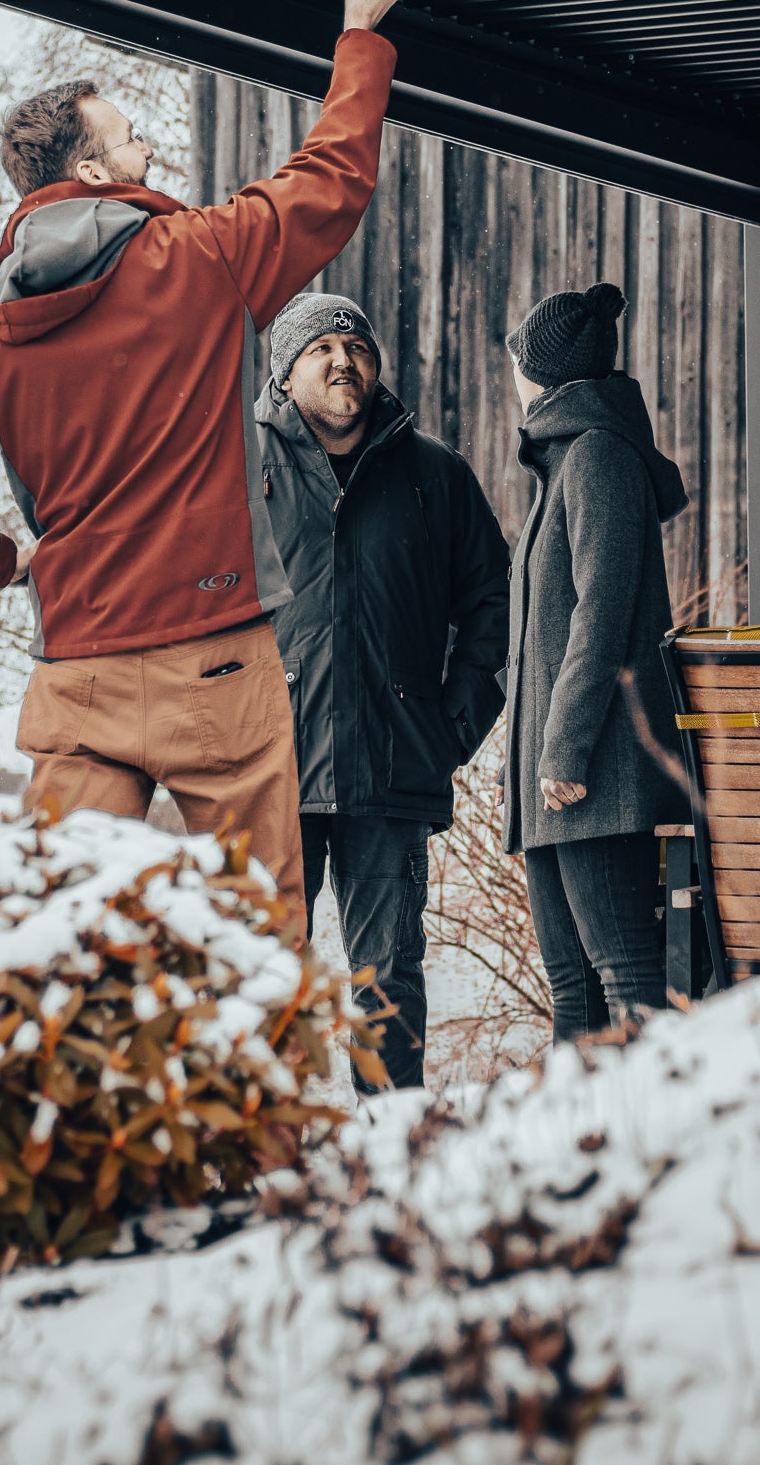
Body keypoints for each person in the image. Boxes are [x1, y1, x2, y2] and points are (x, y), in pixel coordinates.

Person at [0, 0, 403, 936]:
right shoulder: (200, 255)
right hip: (215, 660)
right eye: (130, 134)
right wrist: (361, 31)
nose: (149, 143)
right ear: (94, 170)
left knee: (59, 950)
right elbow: (332, 180)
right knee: (253, 948)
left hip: (77, 672)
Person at [256, 292, 509, 1086]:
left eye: (357, 347)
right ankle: (264, 1164)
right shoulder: (236, 469)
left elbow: (494, 605)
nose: (343, 361)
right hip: (271, 770)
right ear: (285, 370)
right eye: (320, 349)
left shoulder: (434, 473)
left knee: (389, 983)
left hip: (392, 769)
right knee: (265, 979)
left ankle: (395, 1158)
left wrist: (447, 726)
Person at [499, 282, 689, 1040]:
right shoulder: (564, 461)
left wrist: (564, 748)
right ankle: (574, 1144)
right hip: (555, 780)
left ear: (539, 370)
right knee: (572, 982)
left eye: (517, 359)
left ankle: (645, 1137)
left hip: (592, 771)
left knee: (624, 973)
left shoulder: (597, 458)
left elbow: (601, 616)